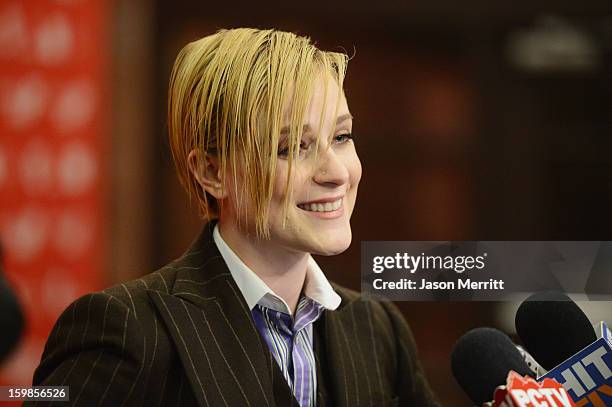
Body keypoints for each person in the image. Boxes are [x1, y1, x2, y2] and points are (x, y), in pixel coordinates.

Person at [29, 28, 440, 407]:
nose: (335, 173)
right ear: (212, 172)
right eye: (292, 147)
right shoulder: (124, 328)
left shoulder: (377, 328)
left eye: (341, 137)